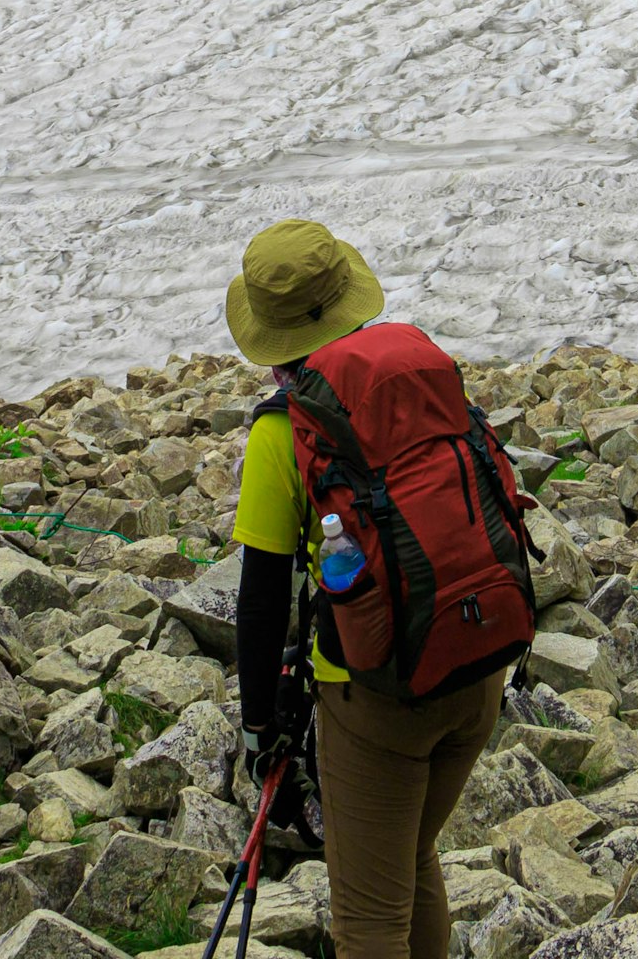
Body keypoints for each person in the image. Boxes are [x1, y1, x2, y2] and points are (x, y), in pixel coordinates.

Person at [225, 217, 535, 959]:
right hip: (480, 662)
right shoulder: (422, 376)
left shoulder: (283, 429)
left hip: (379, 695)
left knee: (367, 923)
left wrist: (259, 727)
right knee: (409, 861)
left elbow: (262, 599)